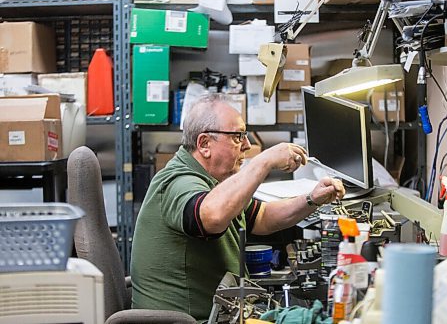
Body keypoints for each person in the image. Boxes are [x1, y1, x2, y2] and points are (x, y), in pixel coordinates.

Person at [131, 94, 345, 321]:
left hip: (223, 312)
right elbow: (211, 217)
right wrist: (264, 161)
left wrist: (312, 199)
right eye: (237, 136)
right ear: (204, 144)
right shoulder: (178, 181)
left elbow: (262, 217)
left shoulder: (216, 183)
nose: (247, 145)